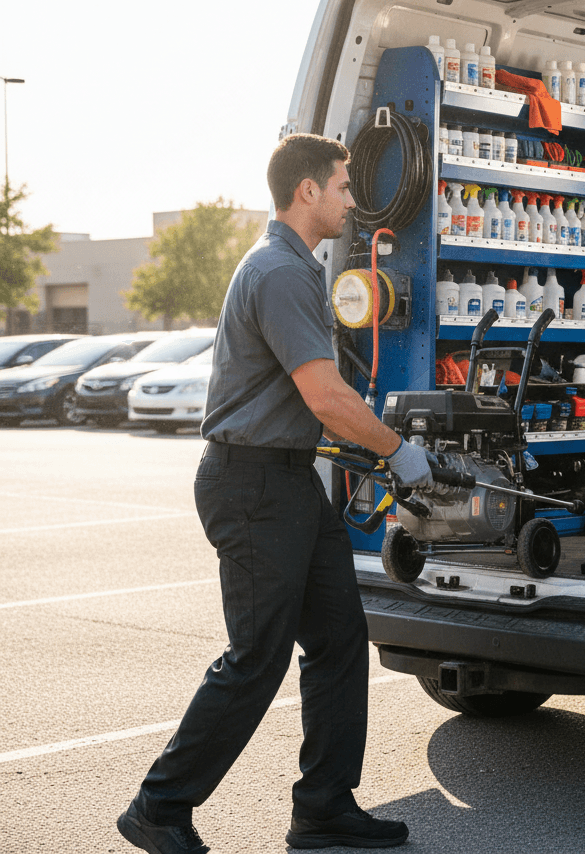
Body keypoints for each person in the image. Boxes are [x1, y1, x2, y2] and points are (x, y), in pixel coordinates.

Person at [117, 134, 430, 854]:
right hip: (253, 484)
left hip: (287, 479)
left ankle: (324, 807)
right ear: (307, 191)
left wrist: (372, 445)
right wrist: (398, 450)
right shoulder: (280, 272)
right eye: (344, 187)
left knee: (338, 639)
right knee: (257, 657)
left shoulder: (291, 267)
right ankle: (159, 806)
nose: (352, 201)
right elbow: (325, 395)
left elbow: (318, 398)